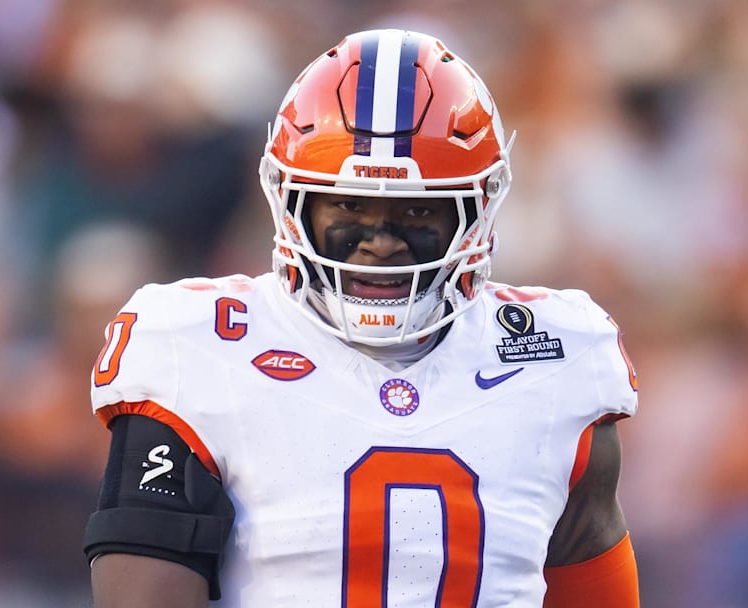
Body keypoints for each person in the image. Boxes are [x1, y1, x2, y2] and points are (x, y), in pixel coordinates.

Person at [82, 29, 641, 607]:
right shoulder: (195, 346)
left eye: (419, 209)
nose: (381, 241)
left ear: (479, 209)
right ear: (290, 202)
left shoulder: (555, 358)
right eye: (348, 205)